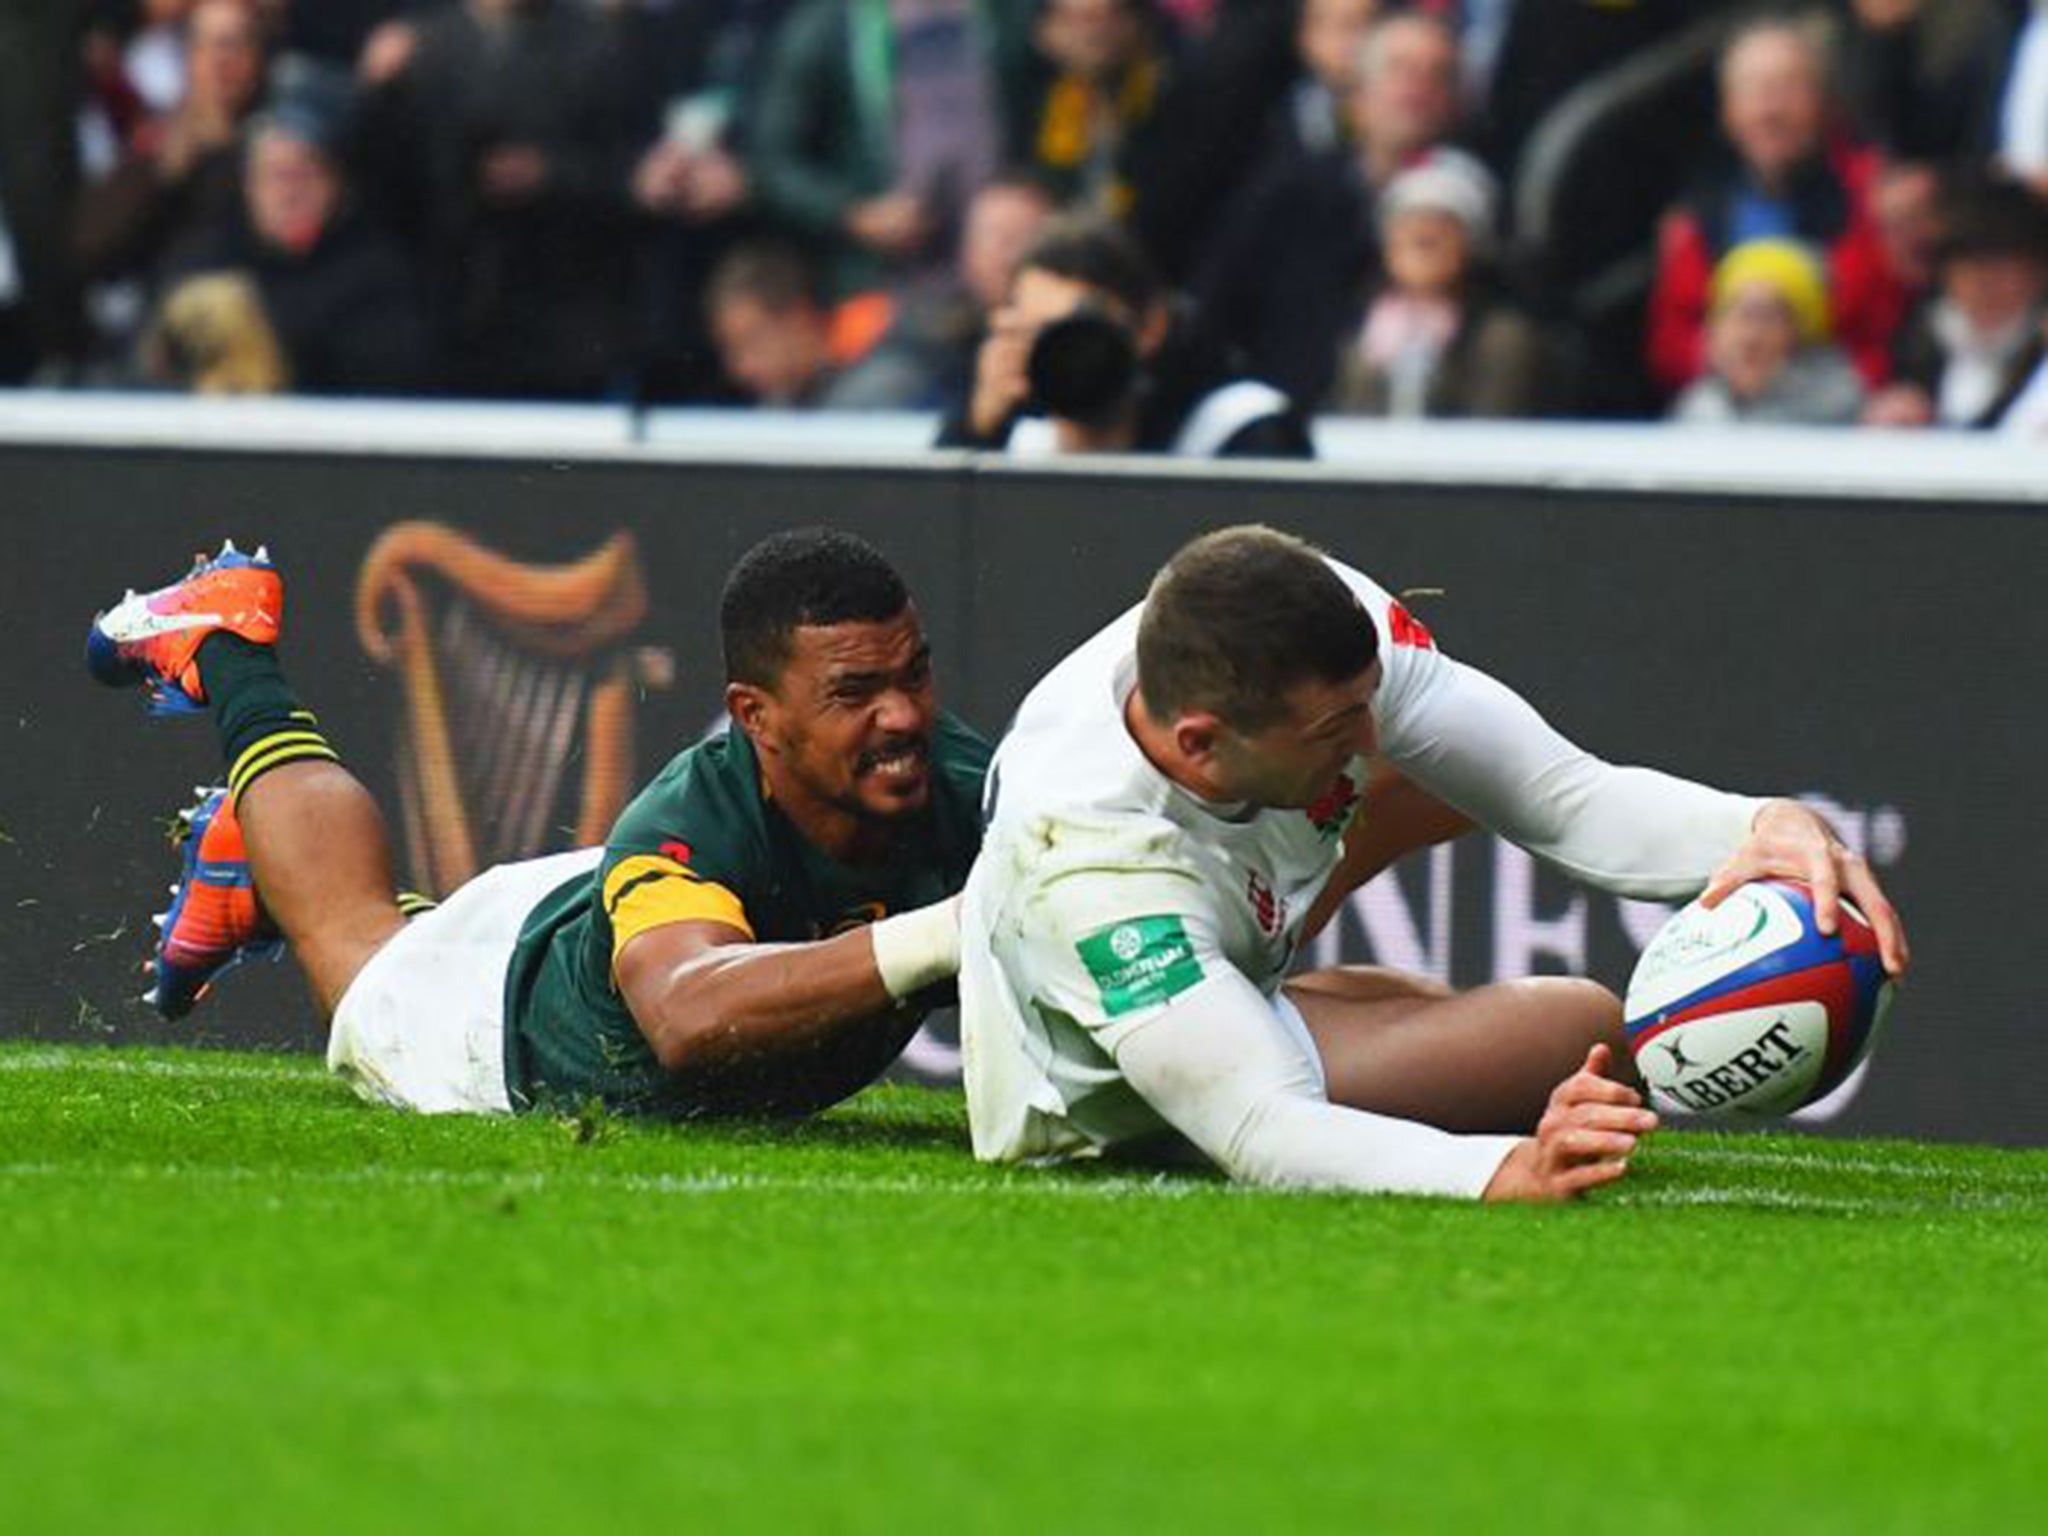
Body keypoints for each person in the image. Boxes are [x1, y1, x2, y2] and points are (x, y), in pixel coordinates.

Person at [957, 525, 1908, 1201]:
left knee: (1538, 1016)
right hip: (1098, 1106)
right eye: (1338, 729)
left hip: (1239, 969)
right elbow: (1263, 1131)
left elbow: (1561, 795)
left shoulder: (1323, 626)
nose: (1372, 736)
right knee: (1563, 1040)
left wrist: (1760, 828)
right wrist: (1502, 1172)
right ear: (1201, 745)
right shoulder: (1089, 866)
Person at [85, 529, 989, 1120]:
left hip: (622, 916)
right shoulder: (691, 821)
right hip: (502, 1017)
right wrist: (943, 933)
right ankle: (231, 646)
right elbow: (686, 1017)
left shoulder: (963, 785)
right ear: (755, 716)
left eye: (913, 676)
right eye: (854, 694)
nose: (903, 717)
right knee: (353, 942)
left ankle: (258, 870)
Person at [936, 212, 1312, 456]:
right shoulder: (1018, 445)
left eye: (1077, 329)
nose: (1064, 354)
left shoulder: (1238, 428)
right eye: (1038, 333)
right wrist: (974, 430)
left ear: (1150, 325)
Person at [1325, 146, 1555, 419]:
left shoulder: (1502, 339)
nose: (1422, 233)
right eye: (1408, 225)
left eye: (1441, 225)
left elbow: (1492, 431)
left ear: (1473, 246)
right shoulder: (1364, 333)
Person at [1669, 238, 1866, 425]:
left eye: (1767, 318)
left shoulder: (1836, 408)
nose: (1751, 337)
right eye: (1741, 316)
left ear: (1798, 332)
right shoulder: (1698, 409)